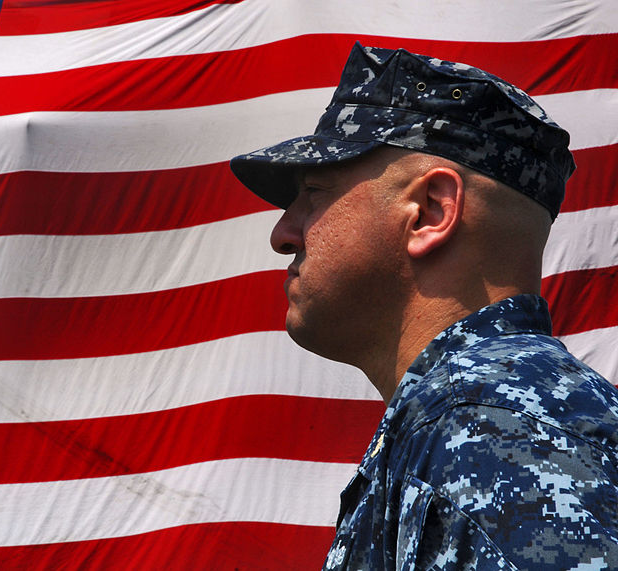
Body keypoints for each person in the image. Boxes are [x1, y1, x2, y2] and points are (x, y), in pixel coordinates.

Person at [230, 43, 618, 570]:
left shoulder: (489, 431)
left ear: (430, 212)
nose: (284, 234)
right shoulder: (490, 418)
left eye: (315, 192)